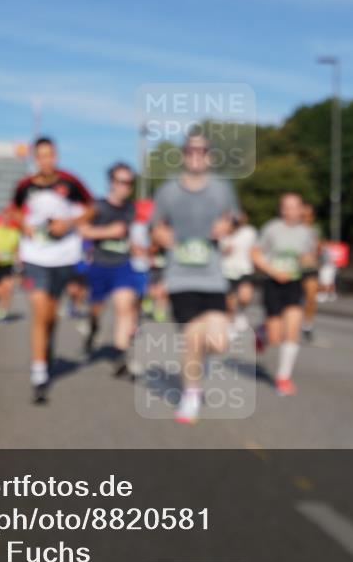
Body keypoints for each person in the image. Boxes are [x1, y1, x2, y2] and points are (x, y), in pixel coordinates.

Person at [152, 132, 239, 423]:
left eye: (201, 151)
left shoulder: (222, 189)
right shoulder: (167, 191)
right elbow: (155, 226)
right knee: (191, 339)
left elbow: (237, 218)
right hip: (180, 277)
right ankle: (190, 396)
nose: (196, 156)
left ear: (210, 156)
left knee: (218, 343)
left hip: (213, 276)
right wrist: (160, 235)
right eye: (190, 151)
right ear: (183, 155)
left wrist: (228, 224)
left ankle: (202, 362)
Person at [10, 136, 93, 403]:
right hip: (35, 256)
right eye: (42, 155)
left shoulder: (71, 181)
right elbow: (13, 211)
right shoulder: (25, 186)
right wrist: (24, 224)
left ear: (56, 156)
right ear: (36, 158)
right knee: (39, 309)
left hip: (63, 256)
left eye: (51, 155)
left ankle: (48, 346)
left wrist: (68, 223)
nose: (47, 160)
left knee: (50, 313)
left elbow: (91, 209)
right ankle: (39, 374)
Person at [251, 193, 318, 396]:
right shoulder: (271, 229)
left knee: (292, 332)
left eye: (295, 207)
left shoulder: (307, 232)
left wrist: (307, 260)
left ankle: (283, 378)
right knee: (275, 335)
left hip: (294, 284)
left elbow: (309, 258)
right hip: (273, 283)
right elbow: (255, 254)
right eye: (286, 207)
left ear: (301, 209)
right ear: (281, 210)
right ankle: (262, 332)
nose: (290, 211)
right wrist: (272, 271)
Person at [80, 162, 142, 376]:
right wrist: (108, 231)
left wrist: (138, 249)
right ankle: (93, 328)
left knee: (124, 307)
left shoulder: (131, 209)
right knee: (97, 308)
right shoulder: (97, 206)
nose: (125, 187)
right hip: (99, 264)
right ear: (111, 182)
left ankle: (120, 355)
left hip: (122, 264)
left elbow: (130, 236)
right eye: (121, 181)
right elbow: (83, 230)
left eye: (129, 182)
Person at [221, 213, 257, 335]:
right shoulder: (222, 233)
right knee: (229, 304)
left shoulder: (249, 233)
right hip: (227, 272)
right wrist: (224, 250)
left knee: (245, 297)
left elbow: (256, 249)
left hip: (245, 270)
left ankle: (241, 312)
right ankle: (230, 325)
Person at [300, 203, 321, 342]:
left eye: (309, 216)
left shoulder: (314, 230)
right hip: (293, 269)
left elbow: (318, 249)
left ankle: (307, 324)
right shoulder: (290, 230)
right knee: (293, 300)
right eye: (303, 216)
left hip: (310, 268)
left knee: (311, 297)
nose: (306, 219)